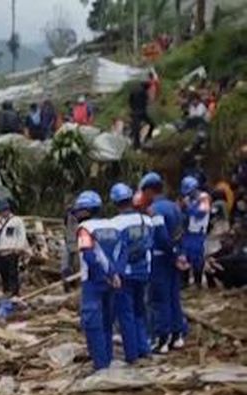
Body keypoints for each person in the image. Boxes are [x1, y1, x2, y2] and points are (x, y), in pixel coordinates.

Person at [74, 191, 121, 372]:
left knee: (93, 323)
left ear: (85, 211)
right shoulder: (112, 226)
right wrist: (114, 274)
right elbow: (120, 251)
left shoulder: (85, 229)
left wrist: (103, 276)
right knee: (107, 321)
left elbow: (89, 256)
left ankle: (100, 364)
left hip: (93, 280)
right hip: (112, 278)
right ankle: (107, 358)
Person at [141, 172, 188, 353]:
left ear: (150, 191)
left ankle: (162, 339)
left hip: (160, 258)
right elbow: (180, 233)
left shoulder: (155, 210)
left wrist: (172, 253)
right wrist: (179, 254)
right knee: (173, 296)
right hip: (173, 258)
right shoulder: (174, 207)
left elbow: (161, 235)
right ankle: (177, 335)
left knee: (159, 299)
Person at [110, 183, 154, 364]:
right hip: (144, 271)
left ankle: (132, 354)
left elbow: (114, 250)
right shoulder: (147, 220)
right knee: (140, 311)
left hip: (125, 274)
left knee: (126, 314)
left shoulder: (115, 223)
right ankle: (145, 348)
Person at [0, 198, 29, 296]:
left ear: (8, 210)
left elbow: (22, 235)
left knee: (12, 272)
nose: (2, 213)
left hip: (12, 251)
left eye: (4, 210)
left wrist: (19, 247)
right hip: (0, 251)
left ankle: (14, 291)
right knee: (3, 272)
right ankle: (6, 289)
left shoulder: (16, 221)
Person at [180, 176, 212, 287]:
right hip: (187, 234)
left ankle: (198, 284)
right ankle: (185, 285)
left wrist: (188, 206)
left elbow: (200, 213)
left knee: (198, 262)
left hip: (198, 234)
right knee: (184, 260)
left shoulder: (204, 197)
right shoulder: (187, 199)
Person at [130, 81, 155, 150]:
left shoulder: (134, 91)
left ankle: (137, 145)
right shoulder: (144, 93)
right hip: (141, 112)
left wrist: (133, 109)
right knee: (152, 124)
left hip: (135, 112)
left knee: (136, 129)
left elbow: (130, 101)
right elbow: (147, 102)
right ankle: (145, 140)